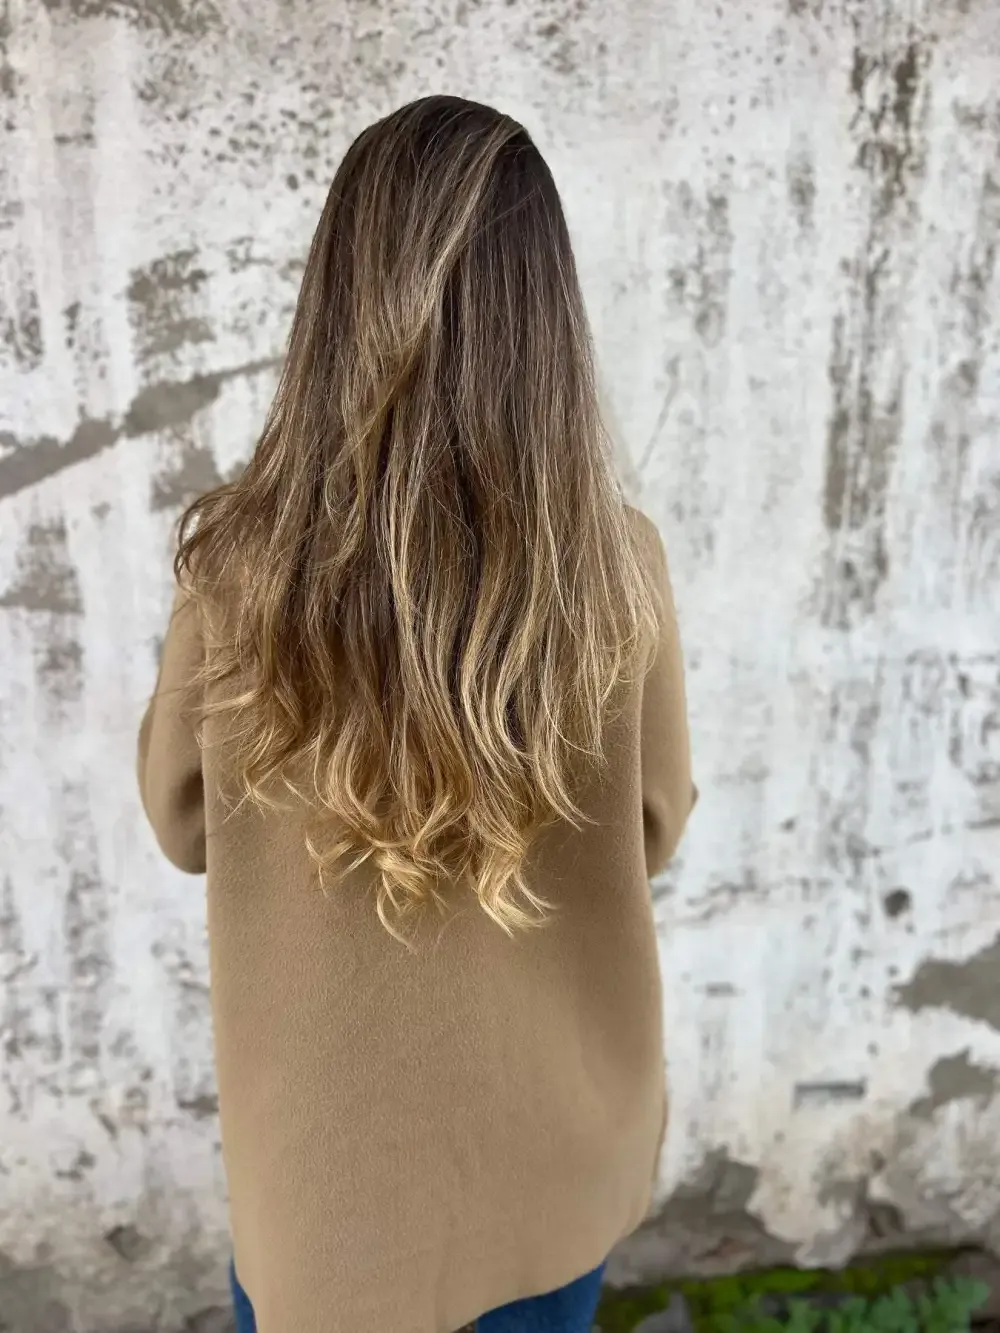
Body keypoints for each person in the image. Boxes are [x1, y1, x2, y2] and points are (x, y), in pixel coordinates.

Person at [137, 94, 696, 1333]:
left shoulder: (240, 567)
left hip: (329, 1198)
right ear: (545, 320)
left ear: (335, 306)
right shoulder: (618, 564)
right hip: (549, 1155)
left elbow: (182, 820)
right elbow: (651, 827)